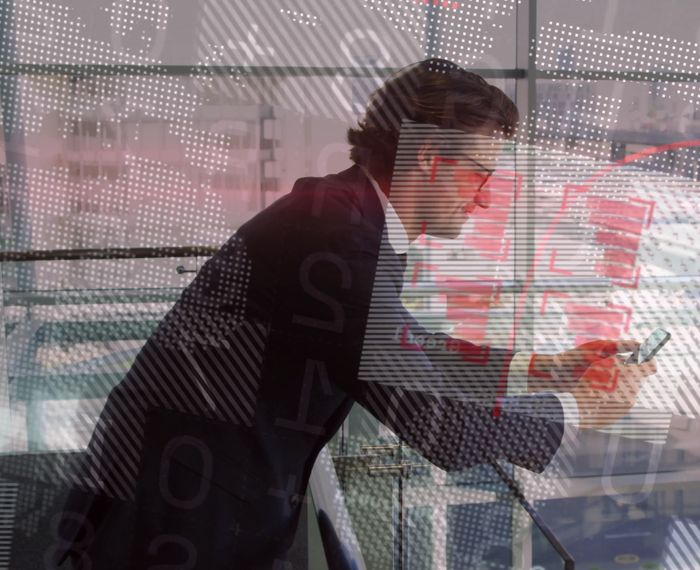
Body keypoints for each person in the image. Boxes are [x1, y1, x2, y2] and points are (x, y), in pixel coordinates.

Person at [49, 58, 656, 569]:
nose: (486, 196)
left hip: (187, 495)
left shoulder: (343, 215)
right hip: (182, 519)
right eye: (480, 172)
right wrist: (578, 410)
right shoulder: (338, 241)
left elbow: (406, 341)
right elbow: (440, 425)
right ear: (428, 157)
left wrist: (542, 367)